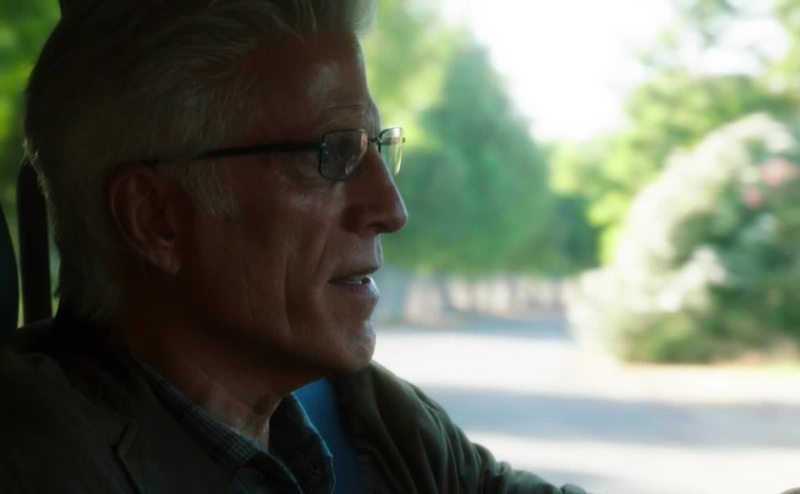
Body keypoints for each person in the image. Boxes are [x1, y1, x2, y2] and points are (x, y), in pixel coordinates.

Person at [0, 1, 586, 492]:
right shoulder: (35, 463)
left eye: (376, 147)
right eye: (332, 154)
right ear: (155, 217)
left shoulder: (370, 417)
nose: (391, 210)